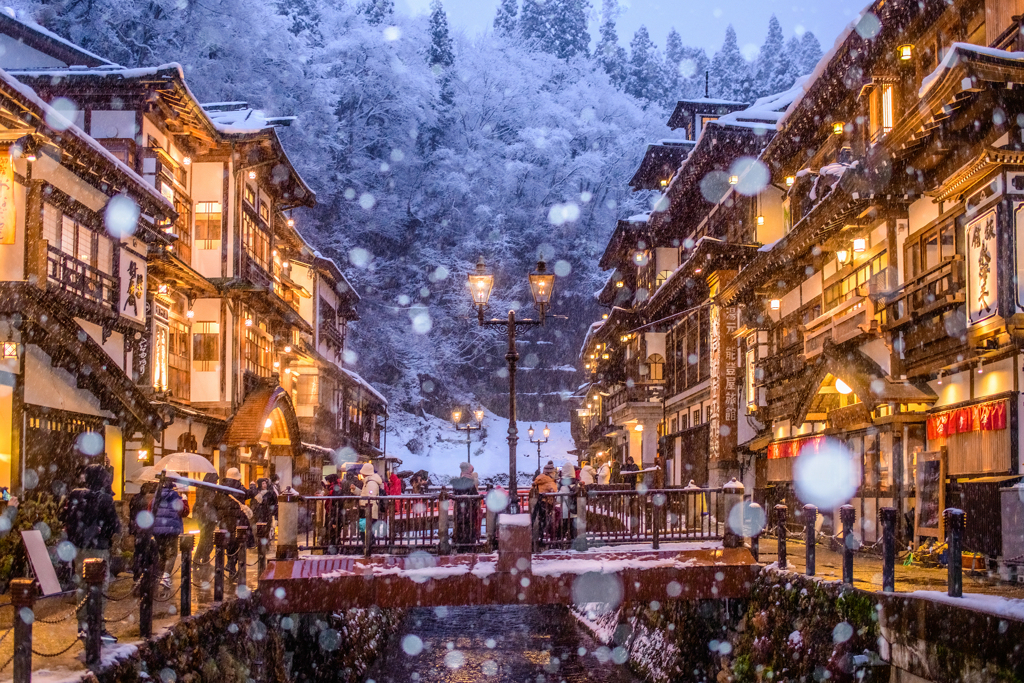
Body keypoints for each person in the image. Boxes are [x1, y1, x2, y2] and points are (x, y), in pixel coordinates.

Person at [59, 463, 120, 643]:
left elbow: (63, 516)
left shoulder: (75, 495)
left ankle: (83, 626)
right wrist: (104, 533)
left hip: (79, 546)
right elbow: (114, 525)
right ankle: (98, 627)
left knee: (82, 586)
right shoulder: (105, 499)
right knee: (100, 587)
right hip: (99, 547)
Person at [151, 474, 189, 589]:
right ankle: (166, 577)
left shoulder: (155, 497)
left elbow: (150, 510)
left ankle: (160, 577)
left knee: (161, 554)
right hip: (172, 529)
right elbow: (184, 512)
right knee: (171, 554)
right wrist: (185, 501)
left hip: (157, 529)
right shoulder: (175, 497)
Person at [216, 467, 250, 577]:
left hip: (224, 519)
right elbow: (247, 494)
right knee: (237, 542)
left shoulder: (221, 487)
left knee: (228, 543)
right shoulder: (238, 487)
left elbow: (216, 502)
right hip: (236, 518)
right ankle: (231, 565)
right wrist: (253, 487)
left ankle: (231, 565)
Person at [192, 472, 220, 581]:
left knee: (206, 539)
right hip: (207, 517)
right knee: (205, 539)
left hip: (204, 517)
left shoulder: (201, 488)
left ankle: (203, 559)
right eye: (215, 480)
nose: (216, 482)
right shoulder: (208, 489)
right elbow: (211, 501)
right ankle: (199, 559)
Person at [451, 462, 479, 546]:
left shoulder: (457, 482)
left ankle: (459, 540)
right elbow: (475, 495)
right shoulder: (470, 482)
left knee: (459, 523)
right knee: (469, 524)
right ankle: (469, 541)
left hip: (459, 508)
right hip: (468, 508)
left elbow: (455, 494)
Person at [532, 461, 558, 544]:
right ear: (550, 472)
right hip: (547, 502)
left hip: (540, 501)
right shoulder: (549, 481)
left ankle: (539, 537)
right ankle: (543, 539)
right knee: (545, 520)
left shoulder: (541, 479)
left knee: (539, 519)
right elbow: (553, 490)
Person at [359, 463, 383, 547]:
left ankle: (369, 546)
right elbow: (366, 494)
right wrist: (355, 490)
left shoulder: (371, 482)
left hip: (368, 510)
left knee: (365, 529)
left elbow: (370, 496)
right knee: (365, 529)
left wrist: (367, 507)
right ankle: (369, 545)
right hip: (367, 510)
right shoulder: (368, 481)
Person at [252, 477, 278, 549]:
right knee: (259, 530)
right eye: (263, 483)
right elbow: (253, 503)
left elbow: (275, 503)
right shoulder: (256, 493)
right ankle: (260, 544)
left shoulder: (271, 493)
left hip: (267, 514)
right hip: (259, 515)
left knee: (267, 529)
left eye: (265, 483)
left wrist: (275, 514)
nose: (264, 485)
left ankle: (266, 544)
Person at [558, 462, 578, 540]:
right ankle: (574, 541)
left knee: (563, 528)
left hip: (565, 512)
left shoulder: (563, 486)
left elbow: (558, 500)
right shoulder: (577, 485)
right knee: (574, 529)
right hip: (575, 511)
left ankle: (560, 541)